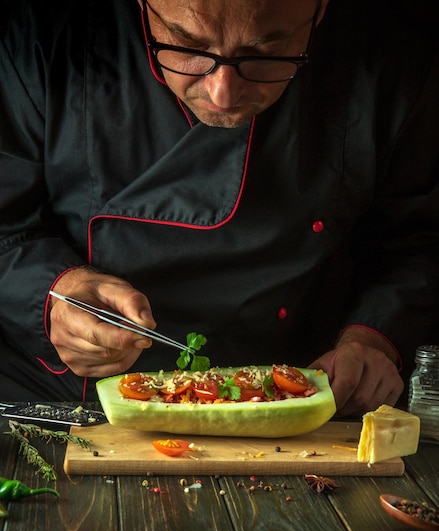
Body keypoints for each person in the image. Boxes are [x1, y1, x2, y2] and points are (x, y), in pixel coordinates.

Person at [0, 0, 438, 415]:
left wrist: (372, 338)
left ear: (320, 9)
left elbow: (418, 237)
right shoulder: (43, 36)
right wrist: (54, 294)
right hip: (59, 405)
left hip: (309, 403)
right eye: (187, 46)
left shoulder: (392, 55)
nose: (223, 93)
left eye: (264, 53)